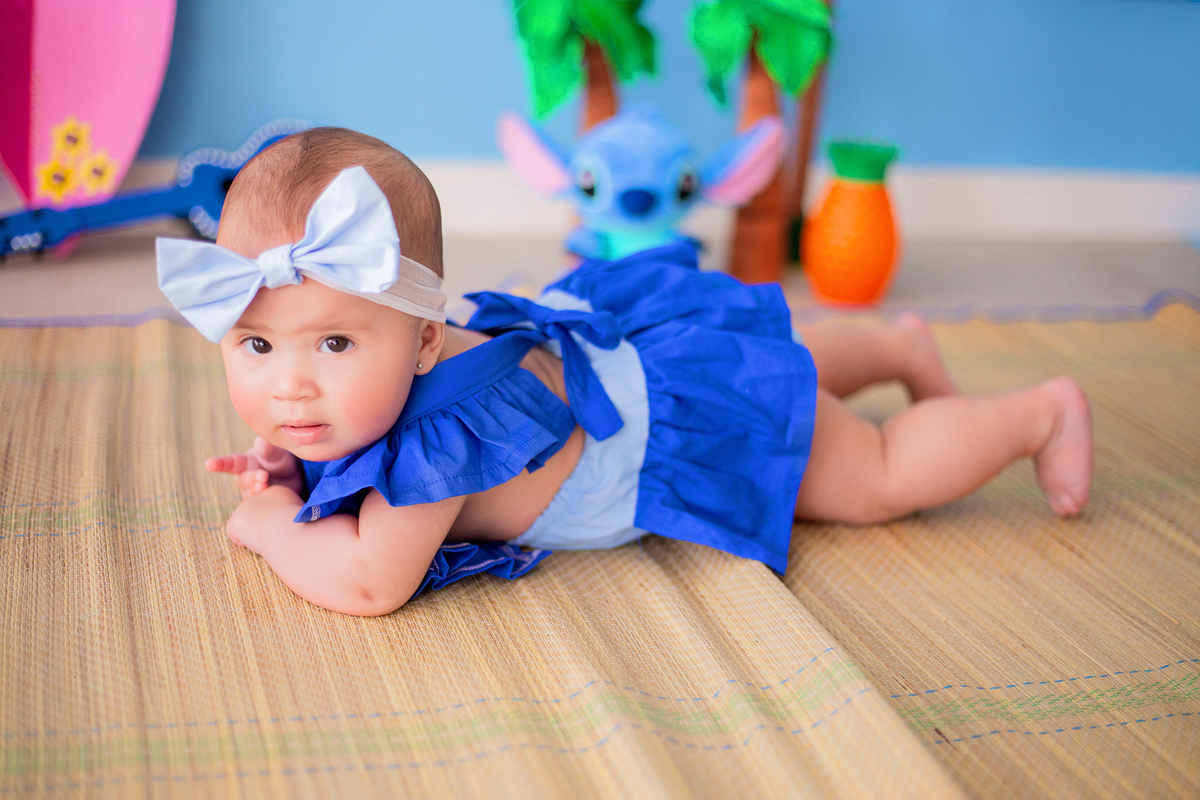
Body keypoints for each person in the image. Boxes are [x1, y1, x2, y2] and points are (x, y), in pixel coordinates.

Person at [156, 128, 1093, 618]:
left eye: (331, 346)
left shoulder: (437, 448)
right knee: (784, 370)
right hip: (628, 359)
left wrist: (272, 522)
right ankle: (893, 346)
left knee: (875, 474)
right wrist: (294, 456)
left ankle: (1037, 415)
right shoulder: (387, 358)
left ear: (426, 342)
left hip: (680, 430)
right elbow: (319, 409)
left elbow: (369, 583)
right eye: (256, 346)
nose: (289, 391)